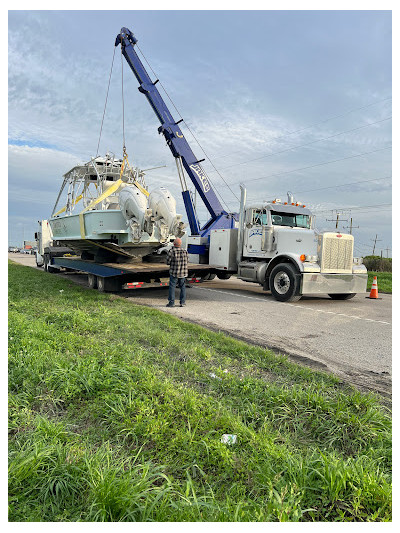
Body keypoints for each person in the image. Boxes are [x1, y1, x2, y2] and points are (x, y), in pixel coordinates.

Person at [166, 238, 188, 307]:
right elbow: (187, 260)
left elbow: (168, 262)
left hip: (174, 272)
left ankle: (171, 303)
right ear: (180, 244)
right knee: (182, 287)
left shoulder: (171, 251)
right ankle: (182, 302)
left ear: (174, 244)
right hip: (183, 272)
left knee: (172, 287)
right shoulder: (185, 251)